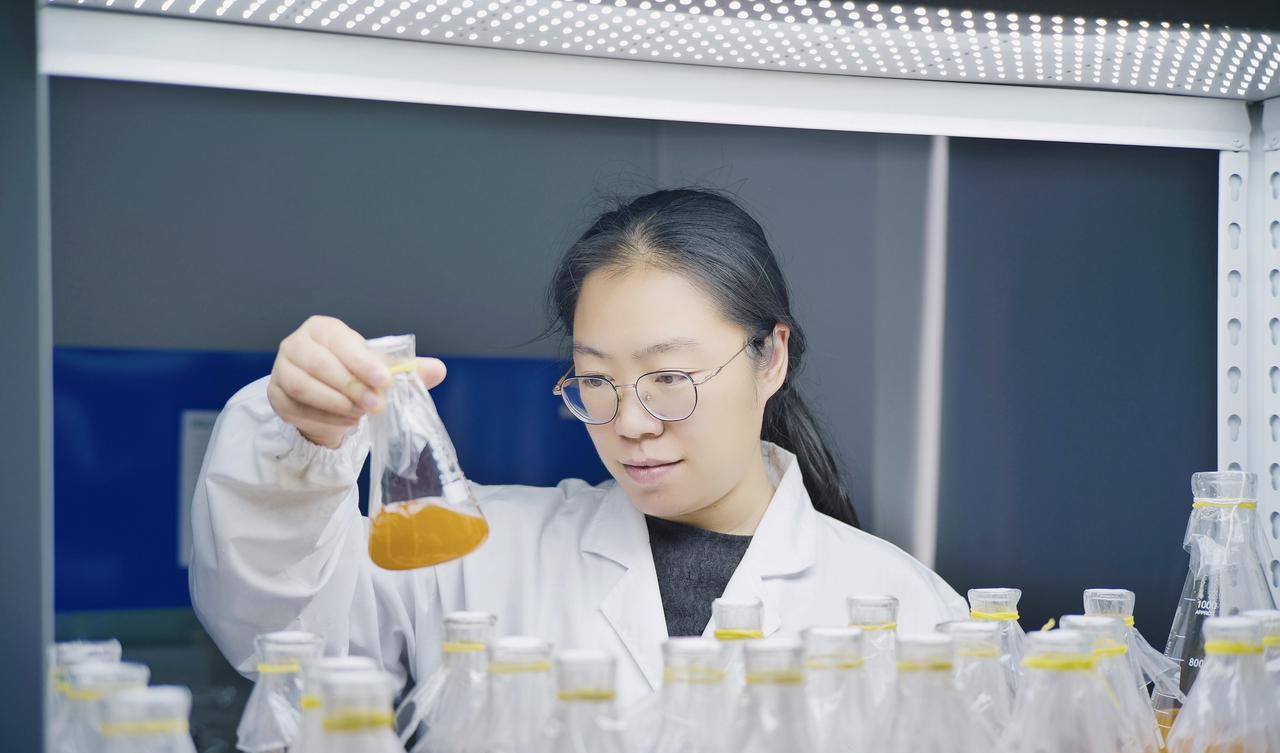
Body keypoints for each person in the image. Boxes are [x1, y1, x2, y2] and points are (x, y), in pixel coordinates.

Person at [190, 188, 966, 705]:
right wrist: (302, 437)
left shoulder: (908, 610)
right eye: (596, 381)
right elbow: (280, 636)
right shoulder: (480, 556)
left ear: (772, 359)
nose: (630, 423)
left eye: (669, 378)